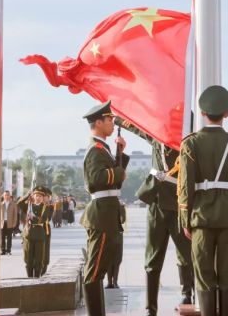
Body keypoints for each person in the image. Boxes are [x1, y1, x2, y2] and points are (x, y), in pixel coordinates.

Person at [177, 85, 228, 316]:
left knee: (204, 275)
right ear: (226, 114)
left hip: (201, 216)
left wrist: (185, 219)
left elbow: (186, 185)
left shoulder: (190, 143)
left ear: (203, 114)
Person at [114, 117, 194, 314]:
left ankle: (187, 294)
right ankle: (151, 306)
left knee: (185, 256)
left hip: (179, 206)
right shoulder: (156, 138)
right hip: (156, 206)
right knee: (152, 260)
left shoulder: (189, 142)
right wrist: (118, 117)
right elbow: (137, 125)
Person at [80, 101, 129, 316]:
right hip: (101, 215)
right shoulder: (95, 149)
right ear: (98, 122)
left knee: (100, 268)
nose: (112, 123)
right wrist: (119, 172)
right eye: (109, 119)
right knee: (94, 270)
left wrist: (120, 154)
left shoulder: (104, 149)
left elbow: (114, 180)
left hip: (108, 213)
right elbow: (96, 179)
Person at [17, 186, 50, 278]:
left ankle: (36, 278)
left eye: (40, 196)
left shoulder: (45, 207)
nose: (38, 197)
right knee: (28, 259)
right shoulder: (28, 205)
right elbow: (19, 203)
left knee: (39, 259)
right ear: (33, 196)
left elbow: (42, 220)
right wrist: (27, 195)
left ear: (43, 198)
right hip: (28, 235)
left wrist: (32, 216)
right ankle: (29, 277)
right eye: (36, 195)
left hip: (39, 235)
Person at [106, 202, 126, 289]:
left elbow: (122, 220)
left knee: (117, 260)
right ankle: (109, 282)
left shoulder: (120, 206)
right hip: (106, 235)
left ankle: (115, 282)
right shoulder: (103, 205)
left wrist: (120, 210)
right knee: (108, 260)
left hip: (117, 235)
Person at [0, 191, 18, 255]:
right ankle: (3, 250)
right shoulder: (1, 204)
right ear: (3, 196)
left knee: (9, 238)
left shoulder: (13, 204)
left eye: (8, 195)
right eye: (5, 195)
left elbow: (15, 215)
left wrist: (14, 223)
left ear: (10, 196)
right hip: (2, 223)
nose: (6, 196)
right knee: (2, 238)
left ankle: (8, 250)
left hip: (10, 223)